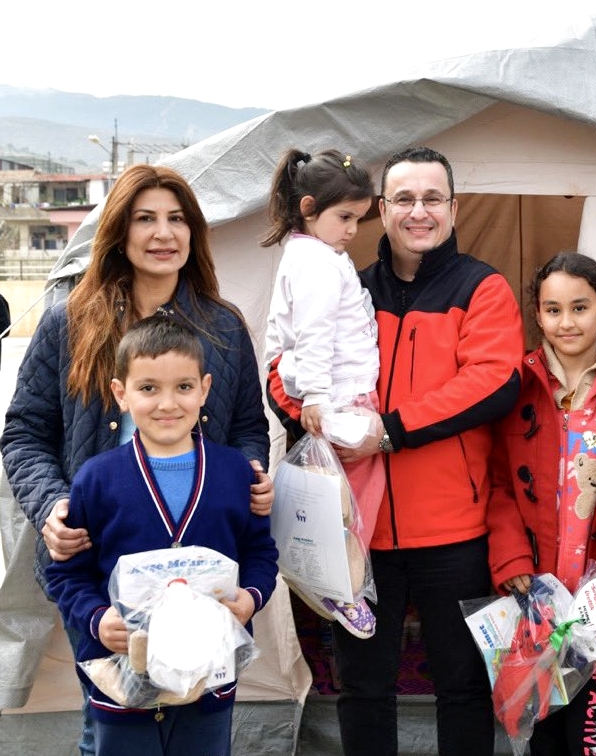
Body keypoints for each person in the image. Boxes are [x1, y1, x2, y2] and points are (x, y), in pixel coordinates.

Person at [0, 164, 272, 755]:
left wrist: (252, 473)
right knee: (112, 720)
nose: (163, 232)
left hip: (198, 571)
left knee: (199, 714)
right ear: (120, 231)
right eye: (145, 218)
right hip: (101, 563)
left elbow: (250, 426)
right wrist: (51, 503)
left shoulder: (222, 330)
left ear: (194, 232)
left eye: (176, 219)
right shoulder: (70, 323)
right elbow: (22, 432)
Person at [330, 146, 524, 756]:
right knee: (362, 687)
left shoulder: (483, 288)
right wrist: (307, 410)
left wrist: (389, 429)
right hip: (359, 532)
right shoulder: (349, 290)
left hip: (454, 532)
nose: (419, 212)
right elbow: (288, 368)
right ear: (381, 211)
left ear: (453, 208)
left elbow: (492, 379)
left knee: (462, 686)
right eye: (405, 199)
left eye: (432, 199)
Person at [45, 316, 279, 756]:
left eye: (184, 387)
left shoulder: (234, 473)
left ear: (205, 389)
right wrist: (98, 619)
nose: (167, 404)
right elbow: (65, 576)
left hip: (207, 678)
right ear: (121, 394)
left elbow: (261, 553)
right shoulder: (97, 479)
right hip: (121, 679)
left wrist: (250, 597)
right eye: (148, 388)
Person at [486, 251, 596, 755]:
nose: (566, 322)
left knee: (595, 736)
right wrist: (510, 557)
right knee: (539, 733)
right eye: (552, 309)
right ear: (538, 314)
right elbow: (495, 481)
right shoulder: (512, 386)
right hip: (534, 592)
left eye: (580, 307)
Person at [262, 148, 382, 639]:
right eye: (345, 217)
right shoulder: (315, 262)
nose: (353, 228)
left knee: (341, 500)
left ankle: (341, 583)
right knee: (347, 505)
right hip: (333, 399)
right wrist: (313, 398)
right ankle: (342, 587)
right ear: (309, 207)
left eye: (358, 218)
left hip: (337, 392)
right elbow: (312, 334)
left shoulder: (321, 254)